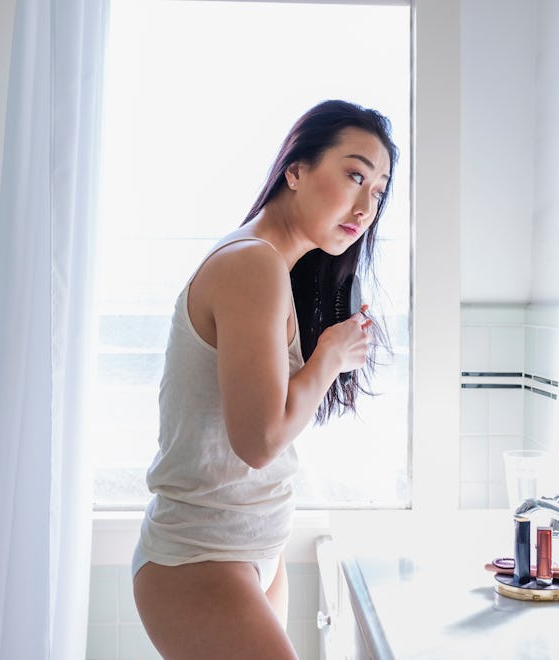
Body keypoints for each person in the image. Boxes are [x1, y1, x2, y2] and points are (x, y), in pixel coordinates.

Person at [132, 99, 398, 658]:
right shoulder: (250, 263)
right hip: (202, 558)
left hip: (251, 550)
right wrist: (328, 357)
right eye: (355, 175)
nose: (365, 206)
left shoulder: (273, 267)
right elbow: (258, 442)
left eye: (378, 191)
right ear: (295, 170)